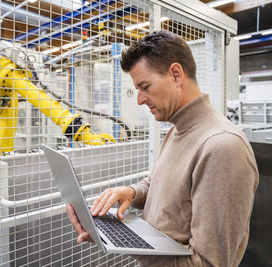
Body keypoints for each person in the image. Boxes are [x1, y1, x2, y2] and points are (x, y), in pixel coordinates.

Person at [66, 30, 259, 266]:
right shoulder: (177, 129)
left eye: (144, 86)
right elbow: (162, 183)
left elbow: (209, 263)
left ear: (176, 74)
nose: (139, 99)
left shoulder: (222, 146)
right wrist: (133, 192)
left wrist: (130, 243)